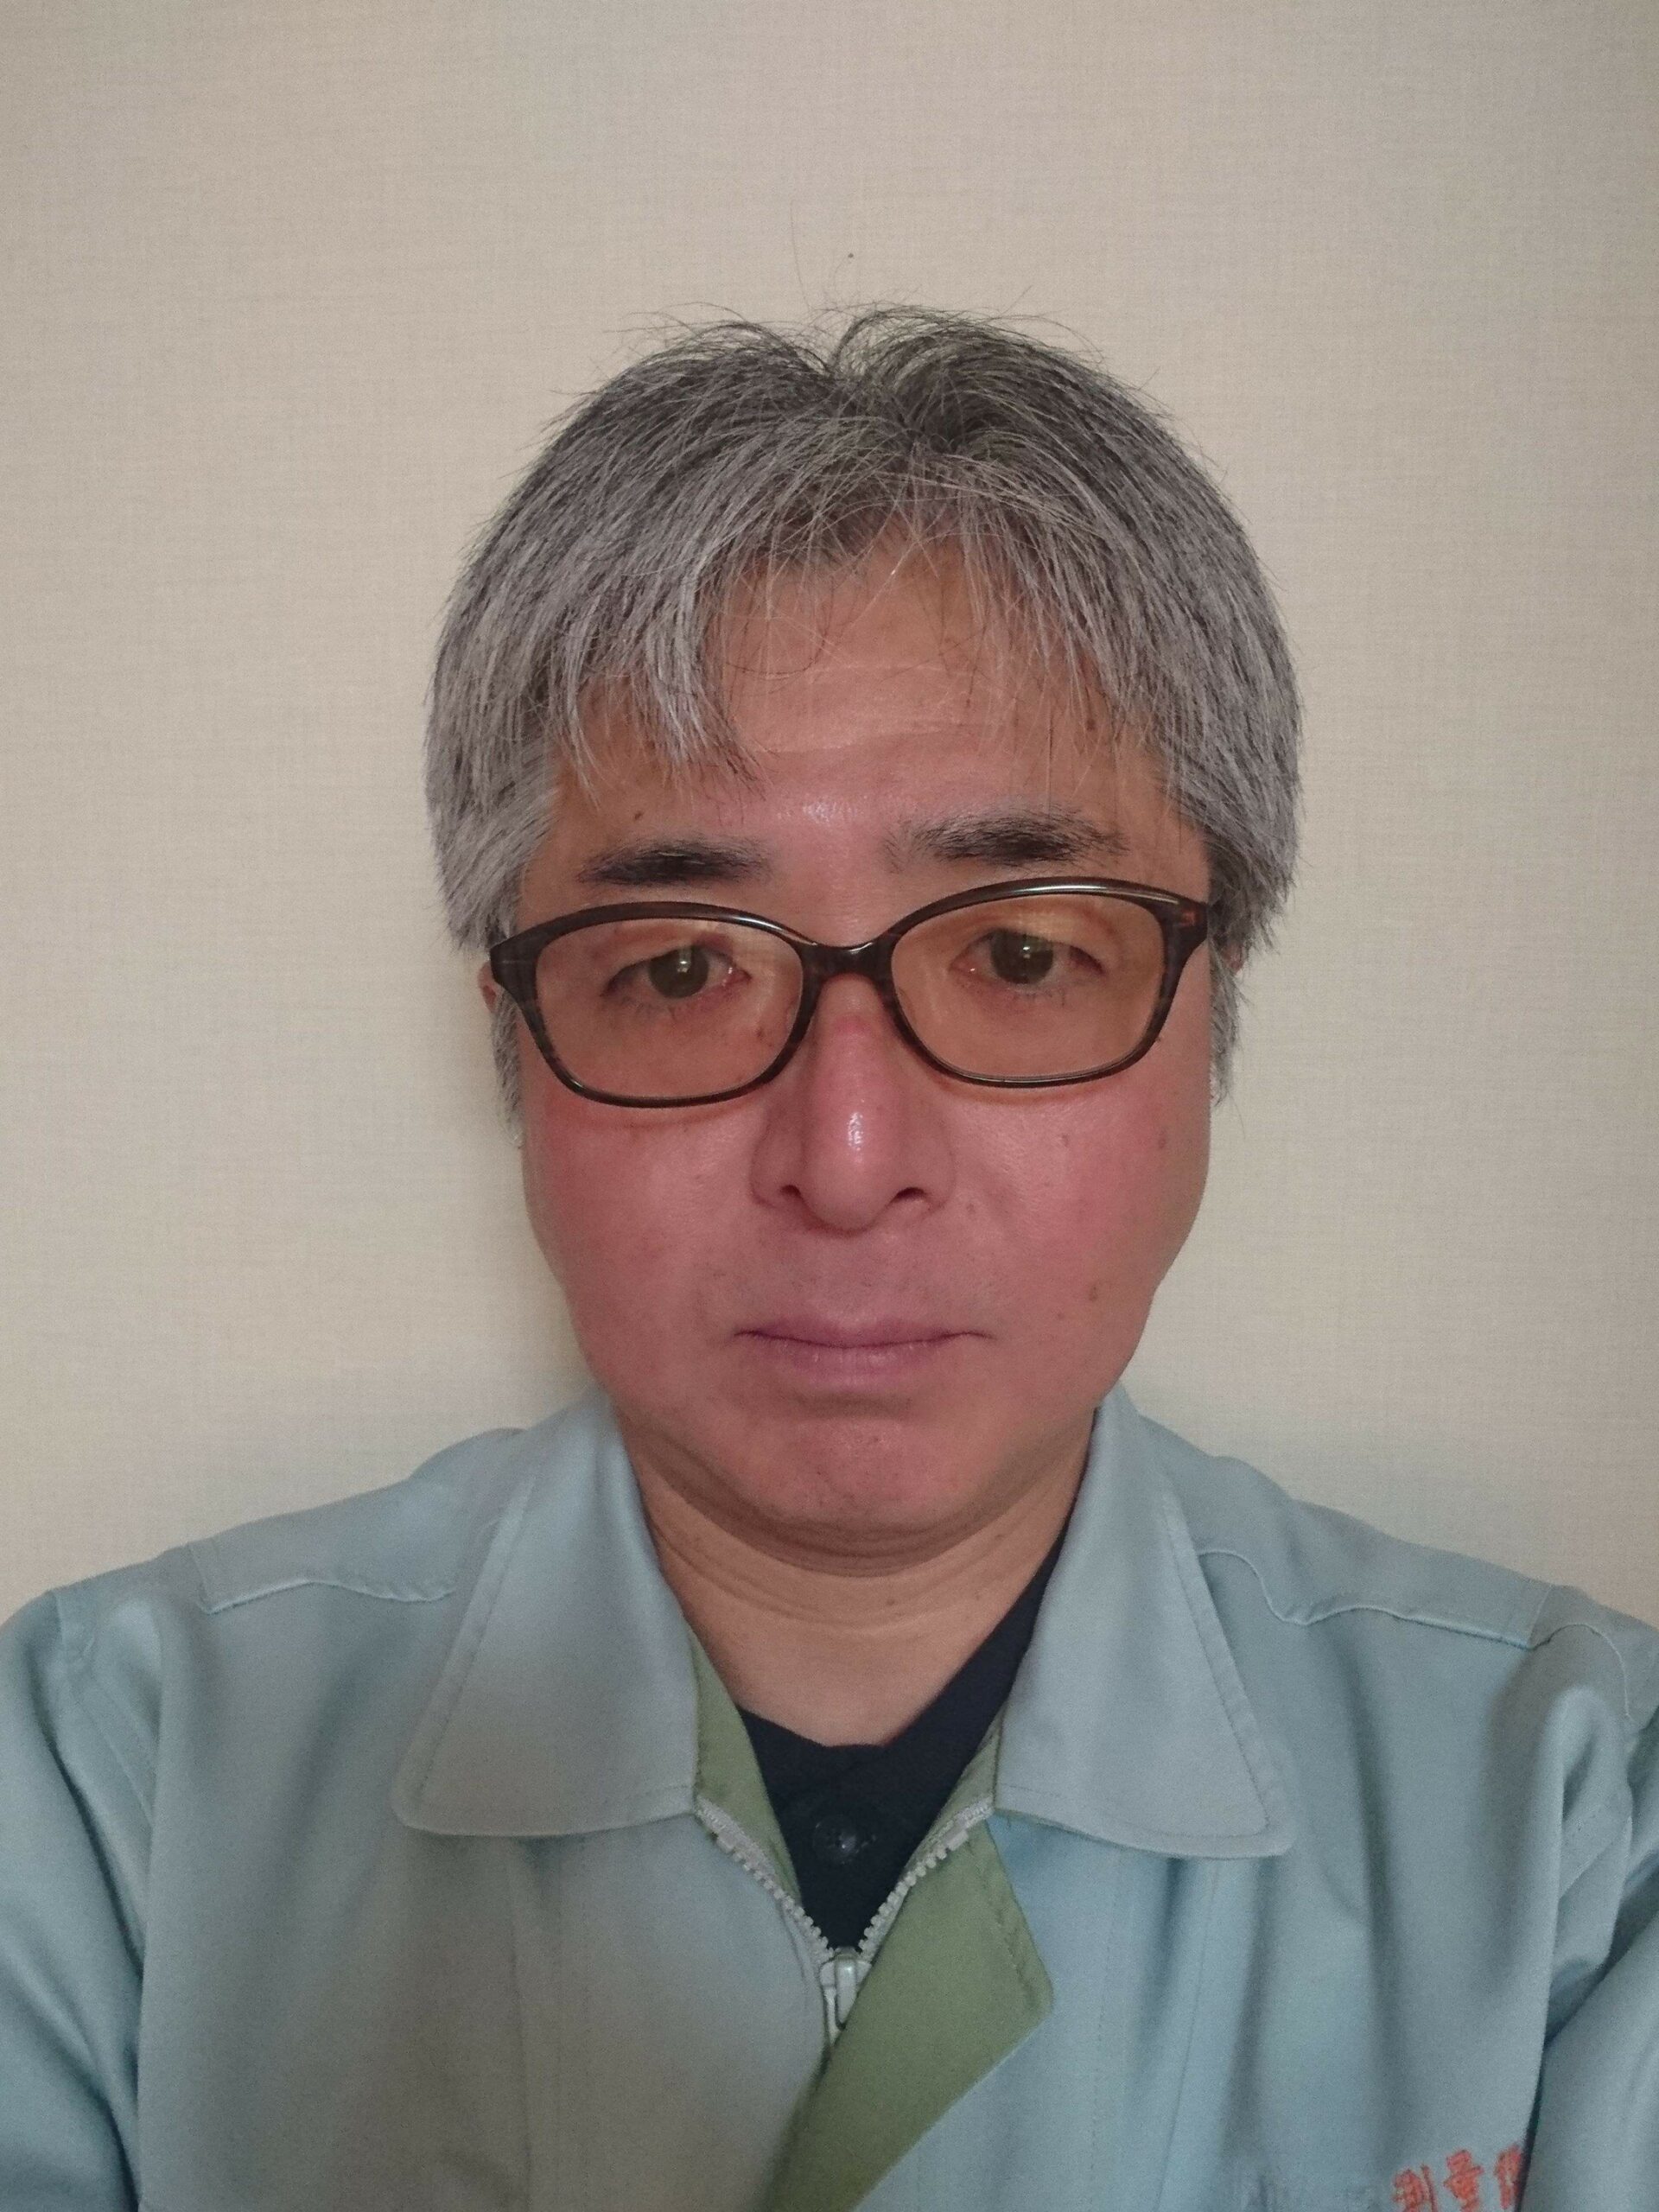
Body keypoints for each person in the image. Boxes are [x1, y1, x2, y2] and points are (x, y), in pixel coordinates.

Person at [1, 310, 1653, 2212]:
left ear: (1215, 1004)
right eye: (679, 967)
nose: (848, 1159)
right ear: (512, 1039)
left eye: (1021, 953)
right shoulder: (103, 1801)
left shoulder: (1578, 1835)